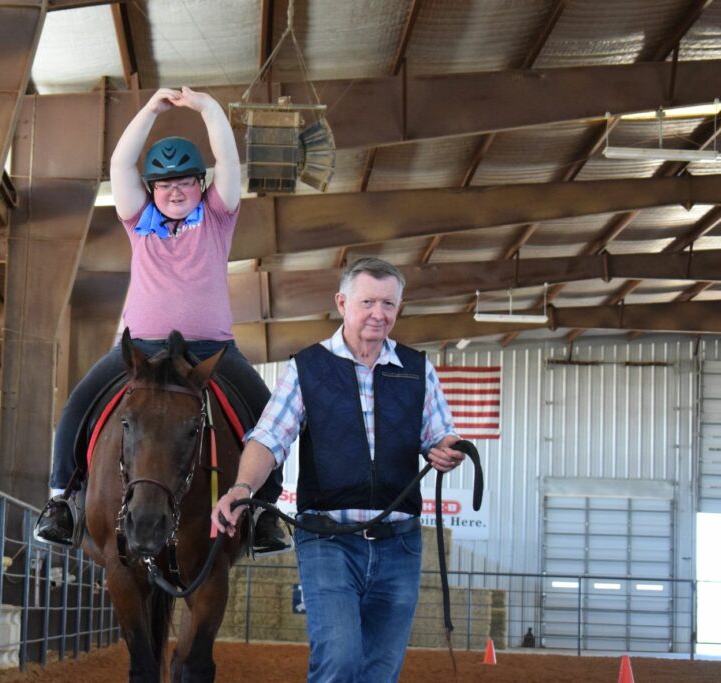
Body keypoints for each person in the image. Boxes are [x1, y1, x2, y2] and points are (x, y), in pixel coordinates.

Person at [36, 86, 288, 554]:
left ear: (201, 185)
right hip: (141, 351)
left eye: (186, 182)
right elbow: (118, 167)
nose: (175, 192)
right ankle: (60, 502)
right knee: (77, 405)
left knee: (270, 417)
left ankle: (266, 512)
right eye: (165, 185)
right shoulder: (139, 221)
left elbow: (230, 162)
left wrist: (209, 108)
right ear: (152, 190)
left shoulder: (217, 217)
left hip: (212, 351)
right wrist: (150, 110)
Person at [212, 257, 466, 683]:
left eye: (388, 304)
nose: (378, 314)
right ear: (342, 302)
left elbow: (441, 435)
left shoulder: (417, 369)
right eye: (368, 301)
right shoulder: (308, 368)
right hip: (328, 539)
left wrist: (447, 451)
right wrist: (241, 487)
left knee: (380, 672)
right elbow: (269, 438)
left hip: (400, 543)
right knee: (340, 662)